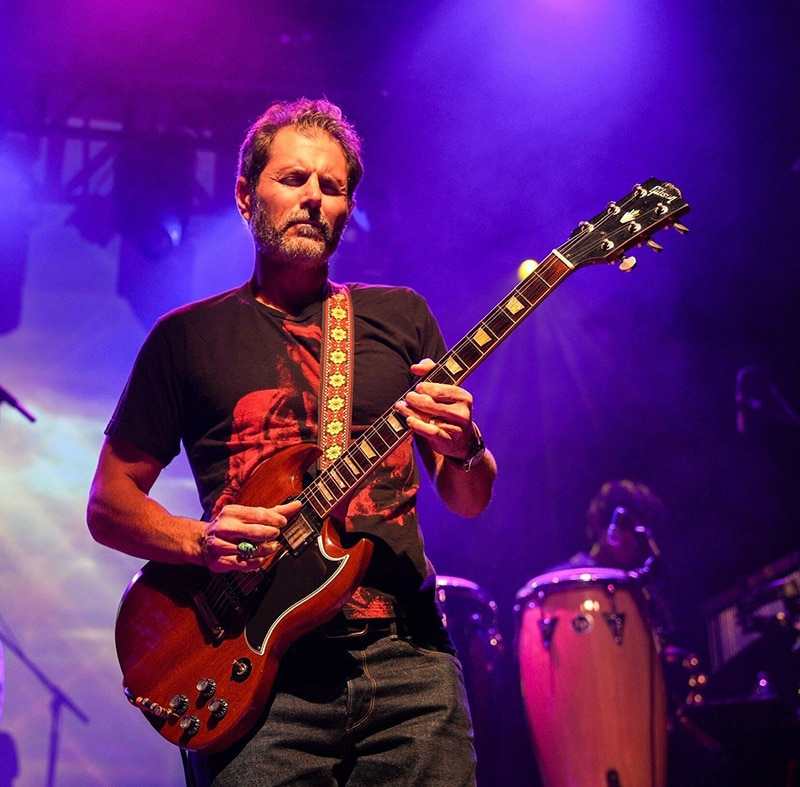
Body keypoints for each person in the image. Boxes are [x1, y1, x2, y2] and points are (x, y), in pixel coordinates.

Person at [86, 97, 497, 786]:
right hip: (254, 671)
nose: (313, 197)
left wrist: (465, 445)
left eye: (331, 186)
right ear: (246, 196)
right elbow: (109, 504)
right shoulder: (186, 339)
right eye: (293, 178)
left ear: (346, 210)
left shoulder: (401, 317)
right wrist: (199, 541)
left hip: (408, 659)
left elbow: (469, 498)